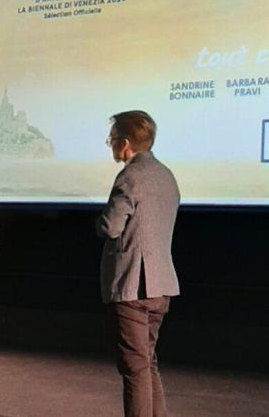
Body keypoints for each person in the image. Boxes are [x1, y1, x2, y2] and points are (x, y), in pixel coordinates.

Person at [96, 110, 180, 417]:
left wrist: (99, 222)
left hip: (133, 284)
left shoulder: (130, 176)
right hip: (161, 284)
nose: (110, 144)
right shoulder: (166, 175)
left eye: (112, 139)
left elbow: (111, 226)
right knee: (147, 363)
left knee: (135, 368)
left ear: (126, 143)